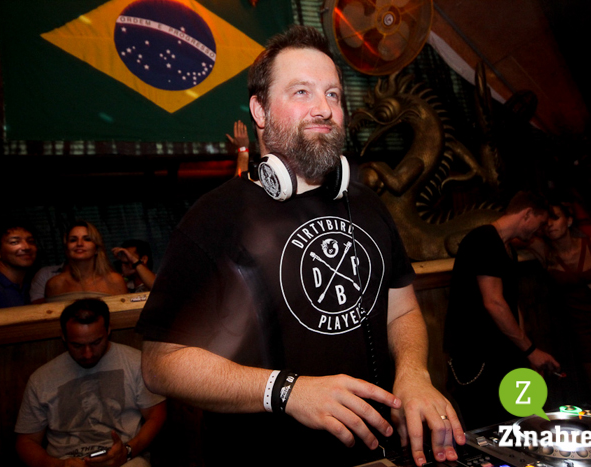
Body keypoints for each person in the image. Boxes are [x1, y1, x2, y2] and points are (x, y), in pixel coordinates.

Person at [136, 25, 464, 467]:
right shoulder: (213, 217)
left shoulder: (367, 204)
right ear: (260, 110)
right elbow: (161, 364)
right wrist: (287, 391)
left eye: (333, 95)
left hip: (378, 454)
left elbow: (402, 312)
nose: (324, 108)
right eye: (302, 92)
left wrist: (414, 374)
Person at [443, 191, 561, 430]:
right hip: (478, 355)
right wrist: (531, 351)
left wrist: (526, 352)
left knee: (521, 423)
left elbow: (511, 303)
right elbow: (494, 302)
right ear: (527, 214)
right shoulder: (484, 239)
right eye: (539, 224)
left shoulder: (507, 248)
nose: (538, 231)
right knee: (490, 429)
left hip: (502, 353)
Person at [15, 298, 167, 466]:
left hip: (124, 459)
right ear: (63, 337)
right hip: (65, 460)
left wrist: (128, 451)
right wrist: (58, 465)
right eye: (77, 345)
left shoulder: (135, 363)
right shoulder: (41, 379)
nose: (88, 354)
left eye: (96, 343)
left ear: (108, 330)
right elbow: (26, 441)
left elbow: (156, 415)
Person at [528, 200, 591, 400]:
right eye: (545, 220)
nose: (550, 224)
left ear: (569, 220)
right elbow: (514, 235)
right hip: (573, 328)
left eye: (555, 217)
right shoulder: (544, 250)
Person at [45, 220, 127, 302]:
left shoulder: (115, 281)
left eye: (87, 239)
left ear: (97, 248)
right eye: (73, 240)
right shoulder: (54, 284)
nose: (79, 244)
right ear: (67, 248)